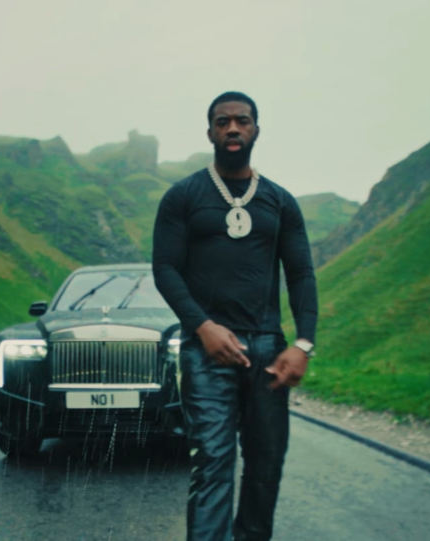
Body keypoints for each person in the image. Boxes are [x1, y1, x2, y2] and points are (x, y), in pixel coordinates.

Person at [152, 91, 318, 541]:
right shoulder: (183, 197)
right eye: (222, 121)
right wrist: (202, 326)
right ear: (209, 131)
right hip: (206, 351)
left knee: (266, 466)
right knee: (213, 461)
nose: (232, 129)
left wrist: (302, 343)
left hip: (267, 347)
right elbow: (165, 268)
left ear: (256, 130)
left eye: (242, 121)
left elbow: (301, 272)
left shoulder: (280, 202)